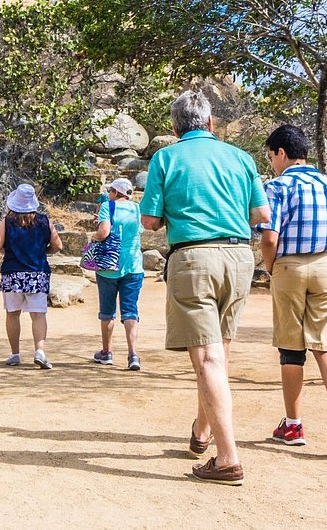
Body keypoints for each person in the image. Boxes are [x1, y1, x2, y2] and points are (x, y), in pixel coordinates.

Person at [139, 89, 269, 486]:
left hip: (194, 258)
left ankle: (228, 459)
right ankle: (202, 430)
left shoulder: (167, 158)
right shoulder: (240, 158)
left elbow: (149, 222)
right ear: (211, 124)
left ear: (176, 128)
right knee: (217, 354)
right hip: (239, 258)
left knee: (208, 359)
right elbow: (261, 214)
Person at [257, 124, 327, 457]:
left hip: (289, 265)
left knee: (290, 348)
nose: (272, 162)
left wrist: (272, 268)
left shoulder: (276, 187)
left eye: (271, 156)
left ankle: (293, 424)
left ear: (281, 153)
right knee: (326, 344)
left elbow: (269, 237)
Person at [0, 183, 62, 369]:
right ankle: (39, 351)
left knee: (12, 314)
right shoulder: (45, 221)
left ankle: (15, 354)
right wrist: (43, 251)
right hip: (37, 273)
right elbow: (58, 245)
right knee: (38, 314)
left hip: (12, 273)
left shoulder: (7, 221)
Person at [91, 178, 144, 371]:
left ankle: (107, 352)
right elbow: (139, 230)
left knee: (107, 311)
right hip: (133, 264)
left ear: (114, 192)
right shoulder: (137, 208)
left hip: (108, 266)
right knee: (130, 311)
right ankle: (133, 355)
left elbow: (104, 232)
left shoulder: (108, 206)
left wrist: (94, 236)